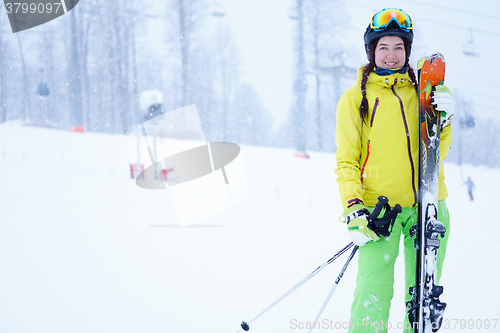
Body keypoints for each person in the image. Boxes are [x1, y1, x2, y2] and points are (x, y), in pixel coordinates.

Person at [334, 8, 454, 333]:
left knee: (421, 302)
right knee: (371, 301)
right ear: (372, 51)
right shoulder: (354, 99)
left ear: (407, 51)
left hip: (427, 210)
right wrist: (352, 207)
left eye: (398, 47)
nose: (391, 55)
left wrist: (444, 120)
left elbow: (436, 154)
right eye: (383, 47)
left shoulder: (422, 95)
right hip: (378, 214)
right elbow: (346, 161)